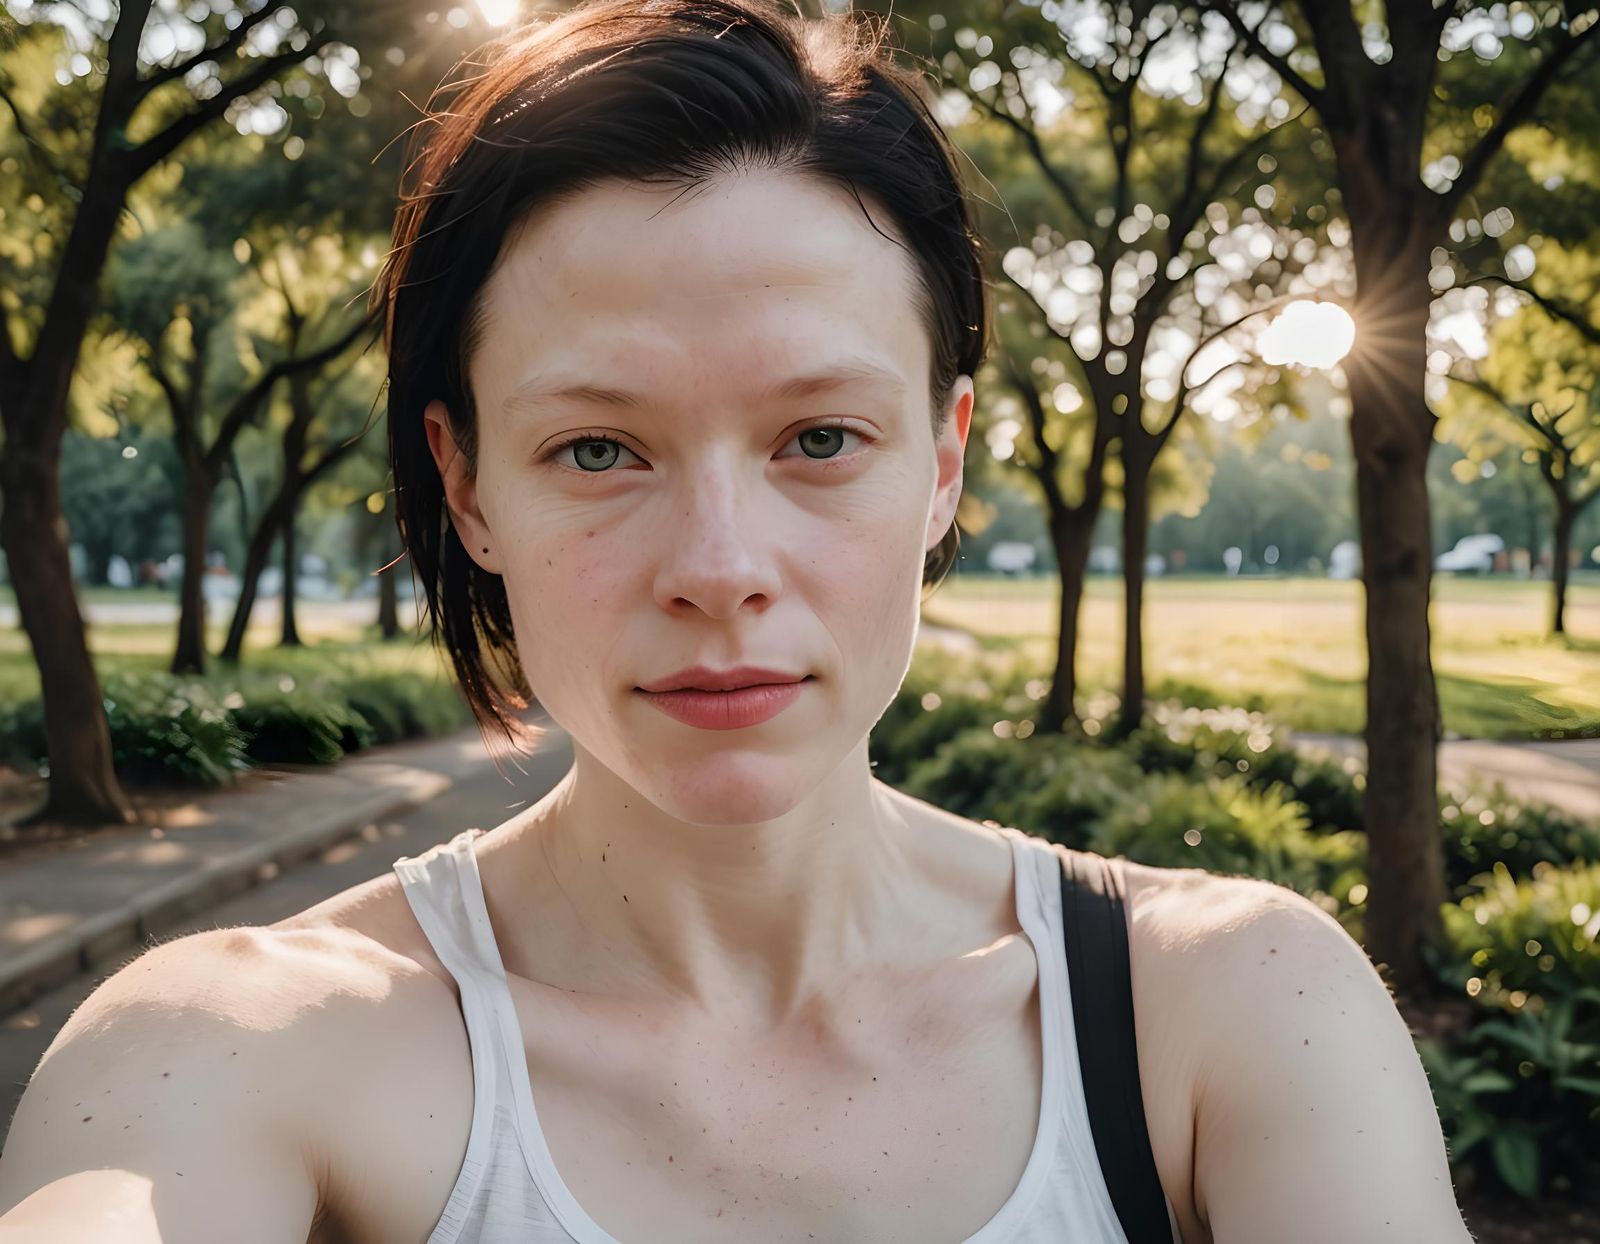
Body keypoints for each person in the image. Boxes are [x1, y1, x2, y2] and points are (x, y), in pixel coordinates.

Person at [0, 2, 1473, 1241]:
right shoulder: (244, 1052)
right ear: (467, 488)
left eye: (820, 438)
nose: (719, 565)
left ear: (945, 462)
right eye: (597, 449)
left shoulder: (1225, 1015)